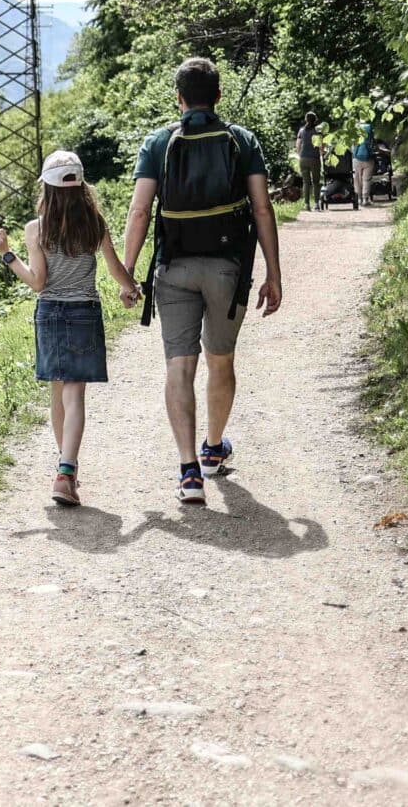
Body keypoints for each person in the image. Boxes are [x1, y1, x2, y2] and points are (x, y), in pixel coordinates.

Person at [123, 57, 283, 506]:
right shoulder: (241, 140)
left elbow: (138, 212)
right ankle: (214, 447)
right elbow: (262, 209)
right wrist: (273, 272)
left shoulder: (158, 143)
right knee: (221, 360)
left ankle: (188, 471)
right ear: (218, 96)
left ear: (178, 98)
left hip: (173, 268)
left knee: (180, 365)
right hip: (227, 268)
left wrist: (128, 273)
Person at [0, 149, 141, 508]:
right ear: (81, 185)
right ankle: (66, 471)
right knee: (74, 396)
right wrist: (130, 288)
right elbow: (115, 267)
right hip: (84, 313)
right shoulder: (95, 224)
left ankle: (65, 470)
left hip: (50, 314)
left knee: (58, 396)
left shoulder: (36, 229)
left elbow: (38, 283)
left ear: (47, 187)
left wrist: (6, 254)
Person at [295, 111, 323, 212]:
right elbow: (321, 146)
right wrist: (321, 154)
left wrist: (300, 154)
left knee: (306, 182)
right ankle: (316, 204)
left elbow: (298, 145)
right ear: (315, 120)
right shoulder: (317, 131)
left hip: (303, 159)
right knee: (316, 182)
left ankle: (306, 204)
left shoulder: (301, 131)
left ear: (306, 119)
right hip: (314, 159)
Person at [353, 121, 377, 207]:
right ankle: (365, 199)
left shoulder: (354, 130)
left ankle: (358, 198)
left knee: (357, 179)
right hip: (368, 157)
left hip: (356, 158)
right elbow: (373, 143)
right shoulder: (369, 129)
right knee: (366, 179)